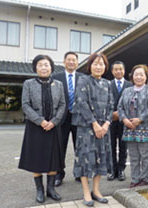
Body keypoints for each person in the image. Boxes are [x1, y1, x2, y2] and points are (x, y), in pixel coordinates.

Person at [18, 55, 65, 203]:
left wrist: (54, 121)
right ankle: (40, 190)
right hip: (35, 127)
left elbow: (63, 104)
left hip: (53, 126)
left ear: (51, 67)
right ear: (35, 68)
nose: (44, 67)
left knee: (53, 159)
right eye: (40, 65)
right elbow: (25, 105)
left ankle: (51, 188)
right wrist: (40, 121)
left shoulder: (58, 84)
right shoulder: (29, 83)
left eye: (46, 65)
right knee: (36, 158)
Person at [72, 53, 114, 207]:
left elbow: (111, 106)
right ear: (90, 66)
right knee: (84, 159)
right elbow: (82, 103)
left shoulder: (108, 84)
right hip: (86, 128)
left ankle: (96, 190)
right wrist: (95, 124)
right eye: (95, 63)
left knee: (101, 158)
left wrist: (106, 124)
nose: (98, 66)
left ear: (105, 67)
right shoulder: (83, 80)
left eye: (101, 64)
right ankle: (86, 192)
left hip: (104, 128)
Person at [118, 64, 148, 188]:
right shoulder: (126, 90)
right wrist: (124, 119)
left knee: (145, 156)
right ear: (132, 76)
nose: (139, 77)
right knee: (134, 156)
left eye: (142, 74)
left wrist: (139, 119)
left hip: (145, 128)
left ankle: (145, 179)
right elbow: (119, 107)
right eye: (136, 74)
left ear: (146, 77)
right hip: (129, 128)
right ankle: (135, 179)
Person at [51, 51, 86, 186]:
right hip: (62, 118)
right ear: (64, 62)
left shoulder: (83, 78)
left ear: (77, 63)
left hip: (79, 118)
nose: (71, 62)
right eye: (69, 60)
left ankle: (79, 173)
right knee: (60, 147)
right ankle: (59, 174)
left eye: (74, 60)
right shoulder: (56, 77)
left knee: (80, 147)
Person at [107, 61, 130, 181]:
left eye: (120, 69)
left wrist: (120, 114)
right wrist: (111, 114)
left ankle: (121, 169)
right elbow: (104, 102)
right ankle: (112, 169)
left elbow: (132, 103)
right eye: (116, 69)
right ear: (112, 71)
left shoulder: (130, 85)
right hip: (110, 120)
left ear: (124, 70)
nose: (118, 71)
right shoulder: (107, 85)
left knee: (123, 145)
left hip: (124, 120)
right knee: (110, 145)